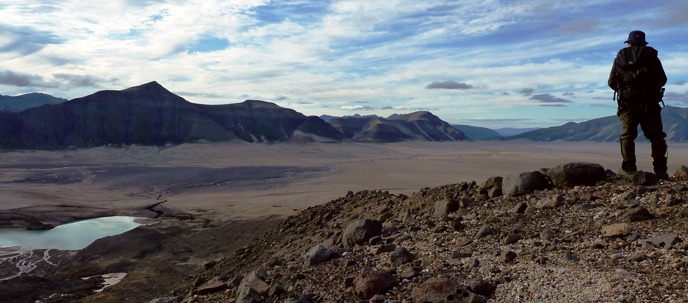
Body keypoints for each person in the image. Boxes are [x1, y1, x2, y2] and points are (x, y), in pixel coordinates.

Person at [608, 30, 668, 178]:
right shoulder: (652, 57)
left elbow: (611, 82)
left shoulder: (620, 58)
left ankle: (629, 168)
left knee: (627, 135)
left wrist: (625, 90)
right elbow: (663, 78)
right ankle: (660, 170)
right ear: (643, 43)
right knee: (656, 136)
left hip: (627, 103)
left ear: (629, 43)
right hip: (650, 103)